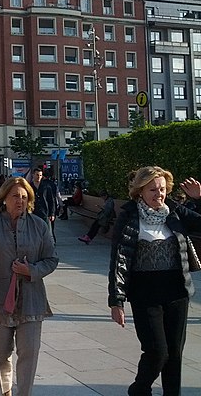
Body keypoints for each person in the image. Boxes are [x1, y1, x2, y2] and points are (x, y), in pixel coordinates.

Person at [108, 167, 201, 396]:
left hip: (176, 291)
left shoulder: (175, 212)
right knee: (157, 352)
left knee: (175, 354)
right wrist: (116, 300)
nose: (158, 194)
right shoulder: (129, 215)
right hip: (144, 293)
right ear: (140, 191)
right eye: (152, 189)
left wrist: (199, 199)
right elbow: (118, 259)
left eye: (162, 189)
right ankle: (139, 389)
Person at [0, 177, 59, 396]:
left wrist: (32, 271)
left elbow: (51, 259)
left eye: (24, 196)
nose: (20, 200)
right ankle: (6, 390)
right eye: (15, 196)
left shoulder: (39, 225)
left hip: (31, 299)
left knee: (29, 351)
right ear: (4, 199)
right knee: (0, 352)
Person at [29, 168, 57, 243]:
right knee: (34, 230)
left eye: (40, 175)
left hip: (44, 211)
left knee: (46, 230)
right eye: (37, 175)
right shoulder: (29, 187)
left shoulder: (46, 186)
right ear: (33, 175)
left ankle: (48, 244)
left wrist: (52, 213)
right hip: (33, 211)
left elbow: (51, 200)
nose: (38, 177)